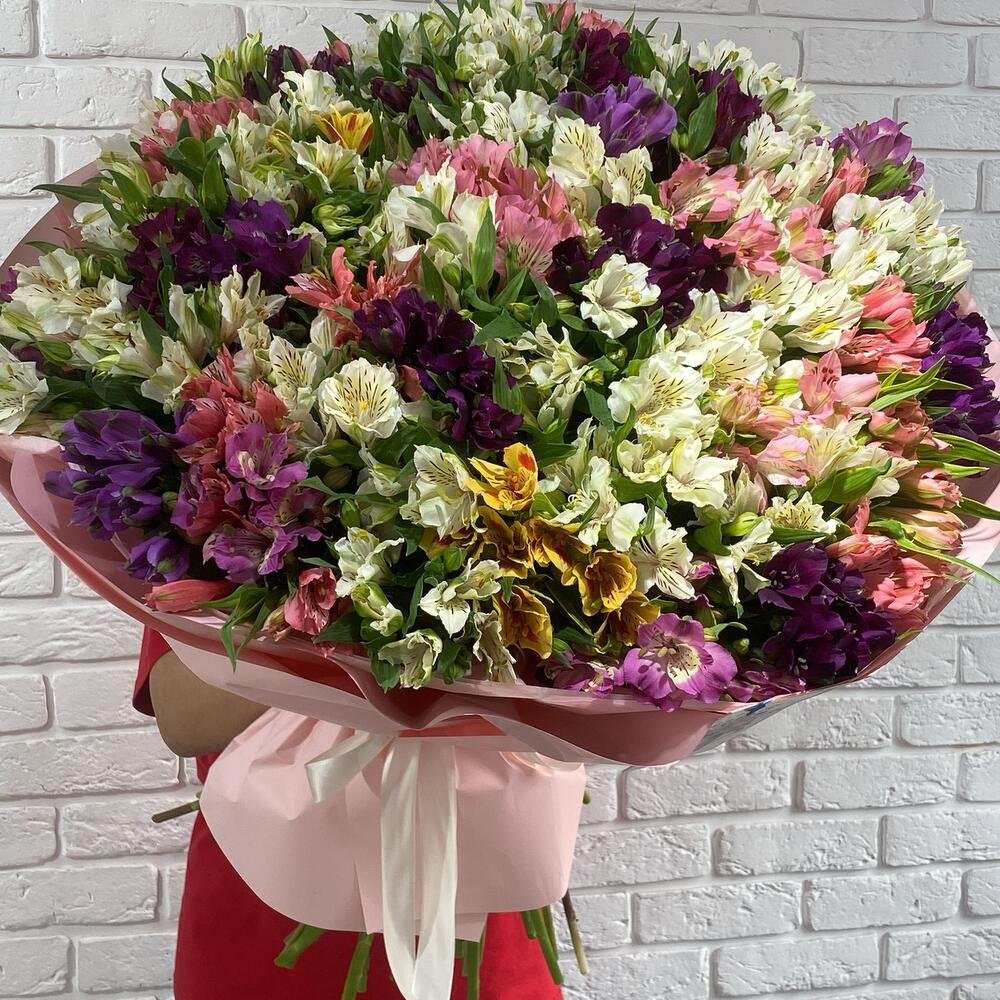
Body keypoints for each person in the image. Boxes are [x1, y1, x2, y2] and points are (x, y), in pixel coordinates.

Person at [135, 628, 563, 1000]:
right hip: (267, 896)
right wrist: (337, 614)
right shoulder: (202, 550)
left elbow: (573, 673)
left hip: (475, 895)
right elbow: (183, 718)